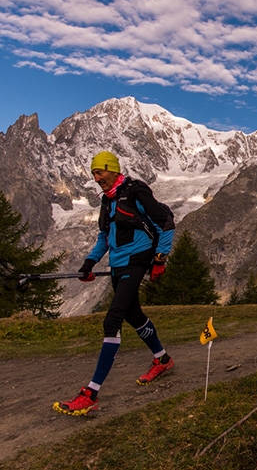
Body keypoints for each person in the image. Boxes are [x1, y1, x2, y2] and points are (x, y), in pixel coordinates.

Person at [53, 150, 176, 416]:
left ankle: (91, 393)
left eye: (100, 172)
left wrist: (159, 260)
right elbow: (104, 236)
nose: (97, 178)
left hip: (137, 261)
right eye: (94, 174)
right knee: (133, 315)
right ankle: (162, 359)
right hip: (118, 265)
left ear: (113, 169)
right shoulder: (107, 201)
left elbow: (166, 223)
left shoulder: (135, 192)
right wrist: (89, 262)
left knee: (112, 321)